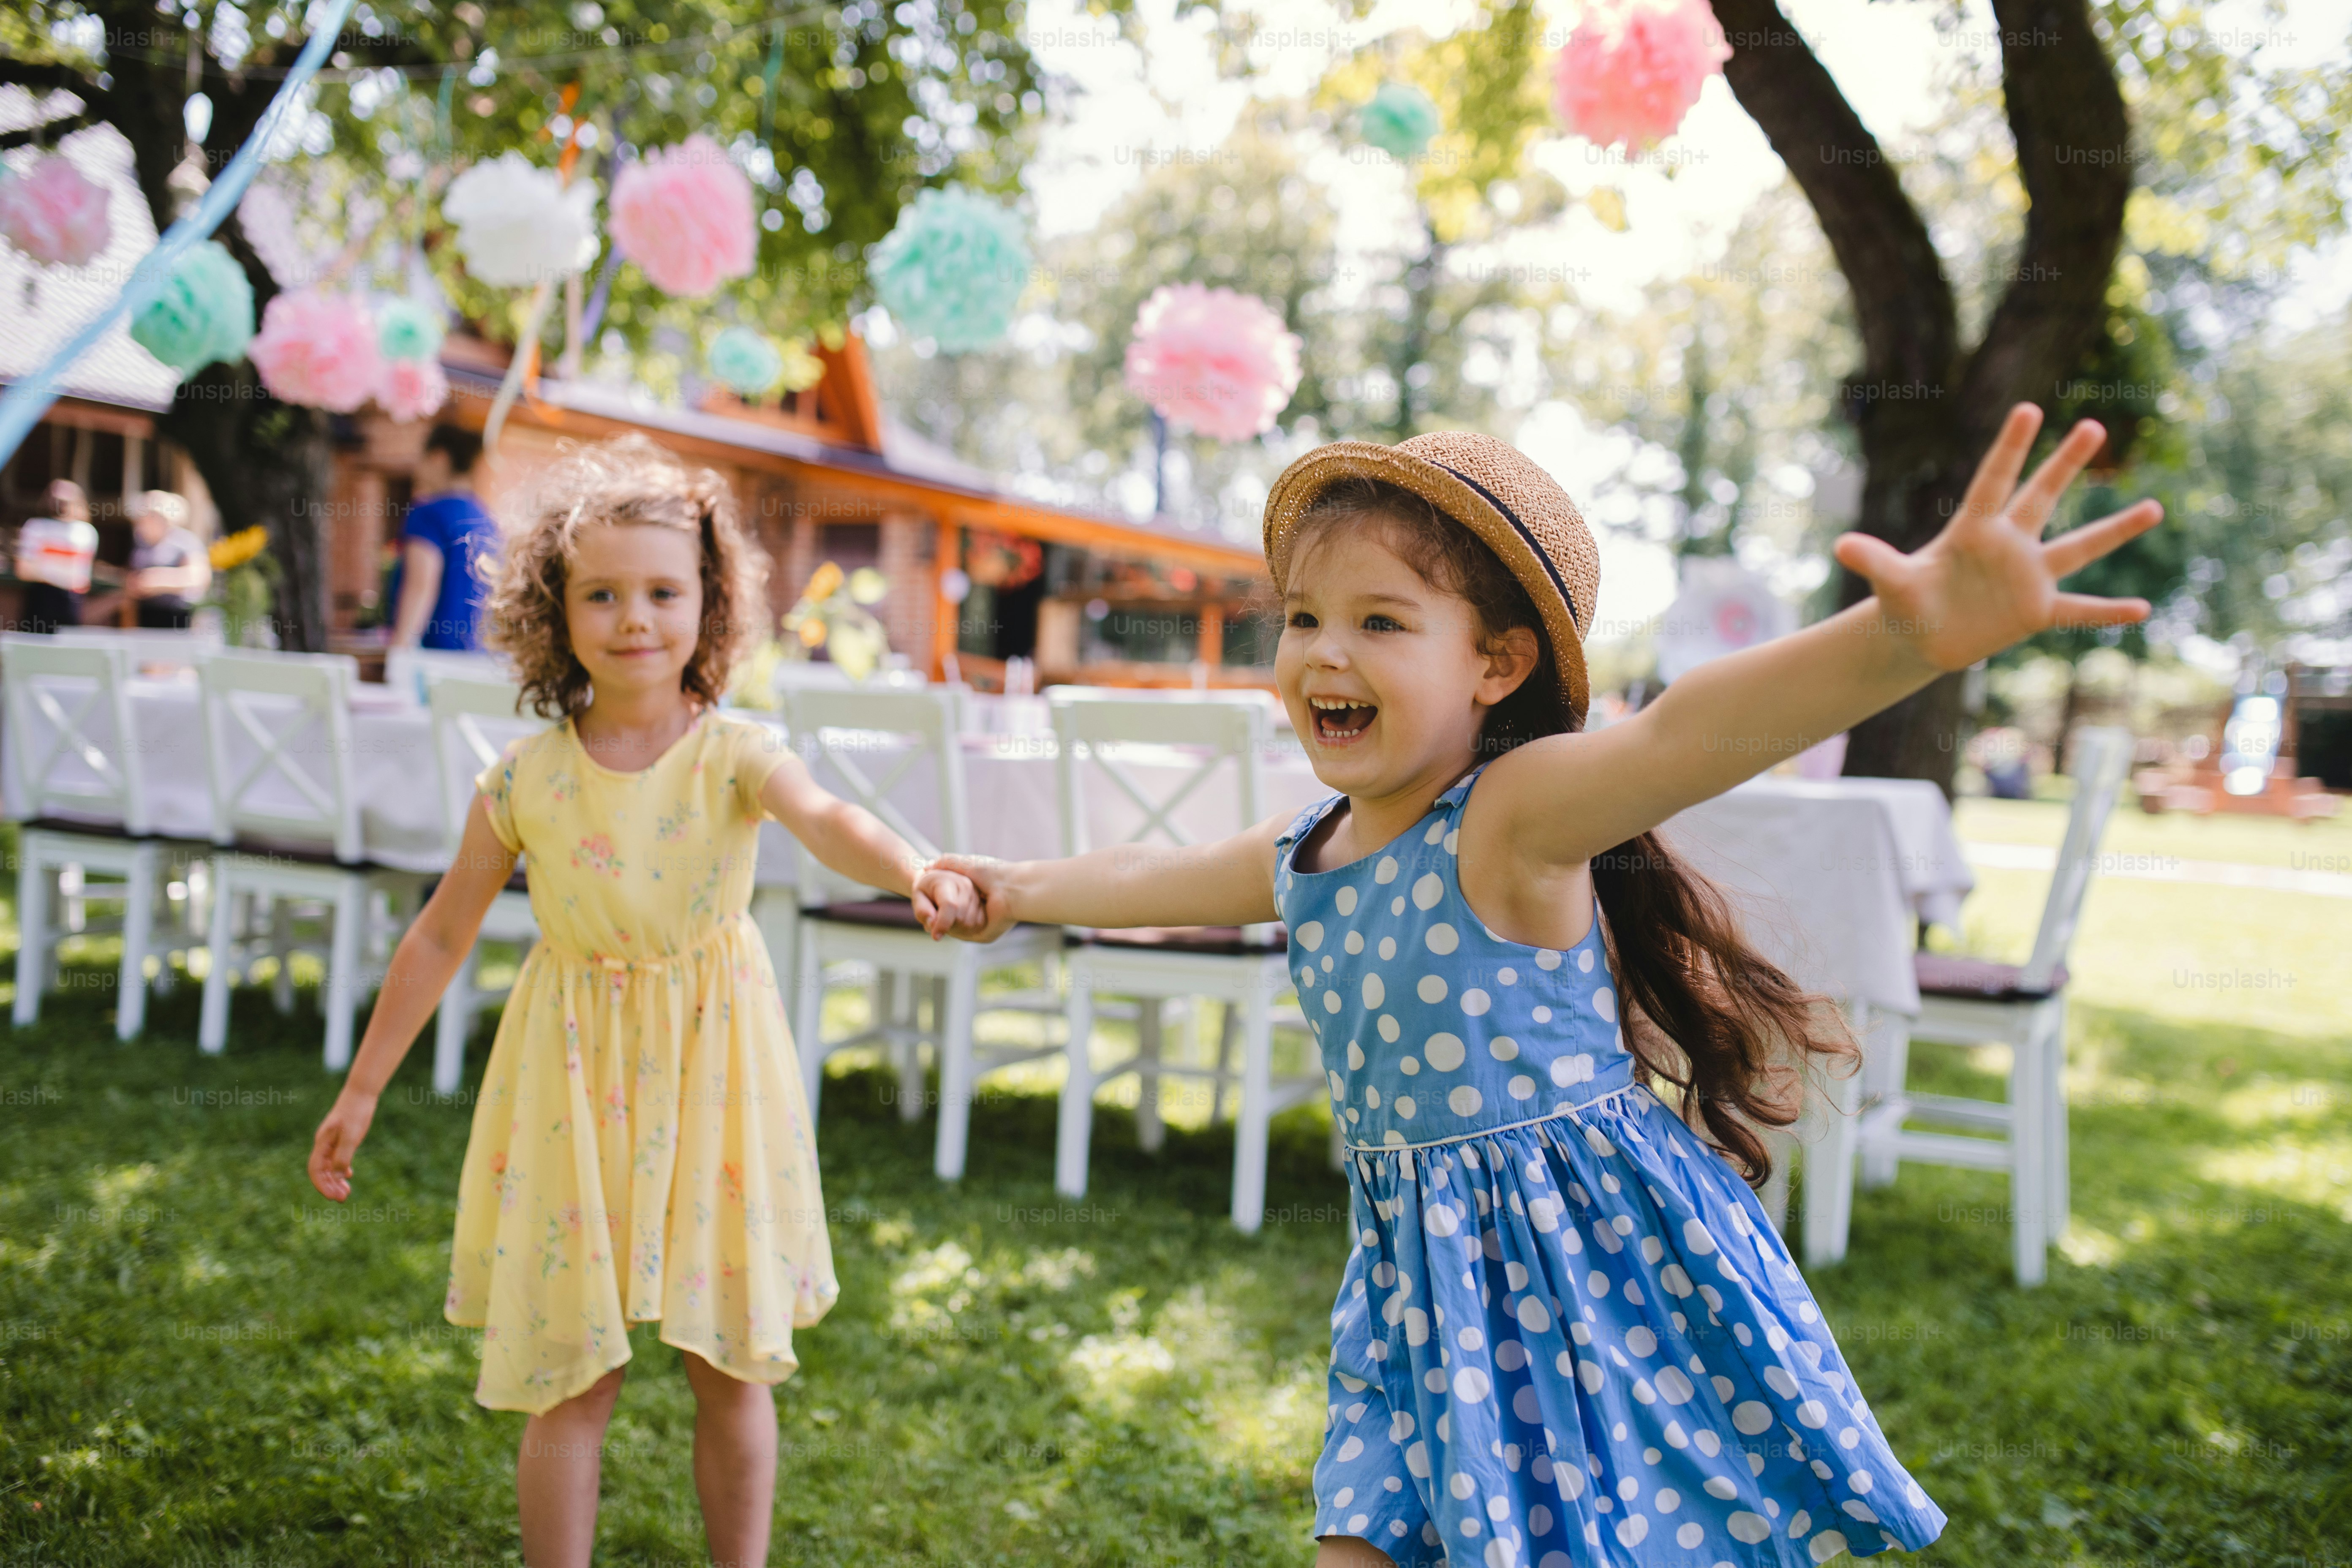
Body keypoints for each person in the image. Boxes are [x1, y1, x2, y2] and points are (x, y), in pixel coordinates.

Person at [936, 407, 2163, 1567]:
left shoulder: (1512, 821)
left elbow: (1684, 734)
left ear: (1496, 662)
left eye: (1379, 620)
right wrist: (1014, 886)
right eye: (1301, 616)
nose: (1322, 651)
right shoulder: (1308, 851)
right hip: (1413, 1285)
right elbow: (1150, 873)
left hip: (1575, 1274)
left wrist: (1906, 635)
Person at [305, 435, 984, 1568]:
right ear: (551, 610)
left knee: (729, 1362)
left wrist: (915, 867)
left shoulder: (736, 754)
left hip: (717, 1075)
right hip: (569, 1084)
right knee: (575, 1367)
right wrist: (363, 1088)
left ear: (709, 605)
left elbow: (829, 820)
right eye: (601, 593)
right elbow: (439, 933)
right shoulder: (522, 778)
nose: (634, 618)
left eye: (664, 592)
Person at [392, 422, 500, 650]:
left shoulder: (429, 514)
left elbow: (420, 586)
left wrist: (400, 652)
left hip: (433, 660)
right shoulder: (487, 520)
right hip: (477, 658)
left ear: (438, 458)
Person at [15, 479, 97, 634]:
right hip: (41, 601)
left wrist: (44, 571)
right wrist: (60, 577)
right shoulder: (36, 527)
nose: (61, 505)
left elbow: (80, 580)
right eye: (57, 500)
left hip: (70, 603)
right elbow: (24, 571)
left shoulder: (86, 533)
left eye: (67, 500)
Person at [125, 490, 211, 629]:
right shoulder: (142, 544)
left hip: (177, 615)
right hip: (146, 614)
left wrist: (158, 581)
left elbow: (200, 577)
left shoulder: (185, 541)